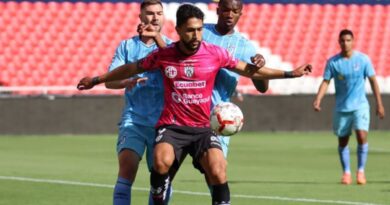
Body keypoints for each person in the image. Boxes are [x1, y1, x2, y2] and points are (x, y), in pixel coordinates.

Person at [77, 4, 312, 204]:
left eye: (199, 30)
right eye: (190, 31)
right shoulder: (164, 54)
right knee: (161, 163)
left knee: (218, 169)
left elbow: (249, 70)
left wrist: (291, 74)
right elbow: (131, 67)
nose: (196, 36)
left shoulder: (215, 53)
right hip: (172, 126)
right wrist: (96, 79)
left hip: (202, 127)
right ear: (178, 30)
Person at [106, 1, 172, 204]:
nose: (155, 17)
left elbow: (176, 72)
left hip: (164, 124)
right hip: (134, 120)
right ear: (141, 17)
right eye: (150, 13)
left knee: (160, 179)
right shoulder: (127, 46)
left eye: (159, 13)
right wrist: (127, 81)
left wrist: (156, 38)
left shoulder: (171, 47)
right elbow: (110, 81)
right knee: (126, 169)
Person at [313, 29, 385, 185]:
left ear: (353, 41)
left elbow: (373, 81)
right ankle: (346, 172)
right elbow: (326, 81)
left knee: (361, 136)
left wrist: (379, 103)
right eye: (343, 41)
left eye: (348, 40)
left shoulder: (363, 60)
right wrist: (319, 98)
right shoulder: (333, 62)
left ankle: (361, 171)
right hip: (341, 108)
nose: (345, 43)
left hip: (360, 106)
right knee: (343, 141)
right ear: (339, 42)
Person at [203, 0, 268, 158]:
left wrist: (258, 66)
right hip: (188, 110)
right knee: (166, 164)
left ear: (241, 14)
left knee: (216, 172)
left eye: (235, 11)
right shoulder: (201, 32)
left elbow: (262, 87)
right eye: (226, 10)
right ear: (218, 10)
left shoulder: (245, 47)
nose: (230, 15)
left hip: (218, 117)